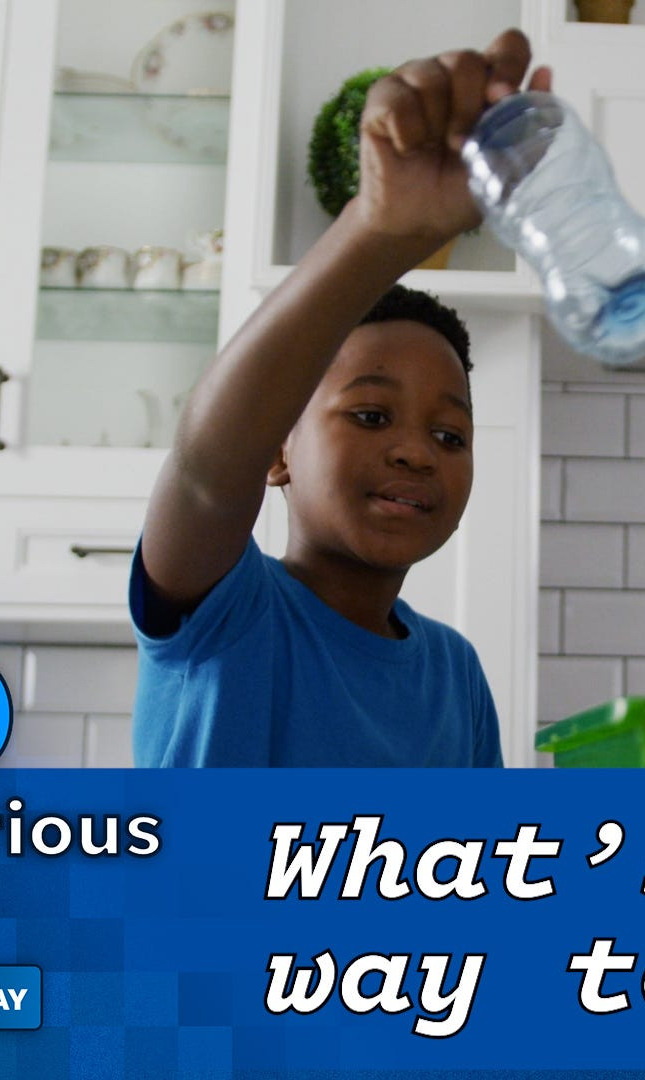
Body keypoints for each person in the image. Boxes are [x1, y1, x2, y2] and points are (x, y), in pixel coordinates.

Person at [130, 31, 551, 765]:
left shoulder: (456, 673)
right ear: (277, 451)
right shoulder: (229, 613)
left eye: (450, 435)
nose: (415, 451)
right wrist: (376, 231)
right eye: (370, 415)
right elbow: (204, 473)